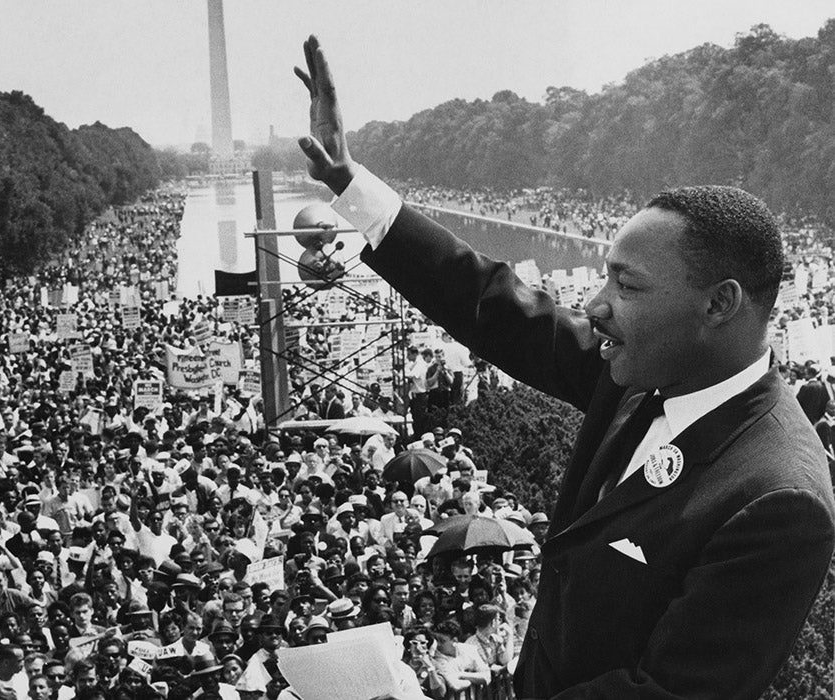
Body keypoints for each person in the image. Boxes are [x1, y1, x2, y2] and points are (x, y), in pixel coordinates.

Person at [295, 34, 835, 698]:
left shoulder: (780, 498)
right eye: (603, 277)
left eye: (628, 287)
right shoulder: (642, 371)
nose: (596, 305)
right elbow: (491, 301)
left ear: (719, 304)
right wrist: (349, 182)